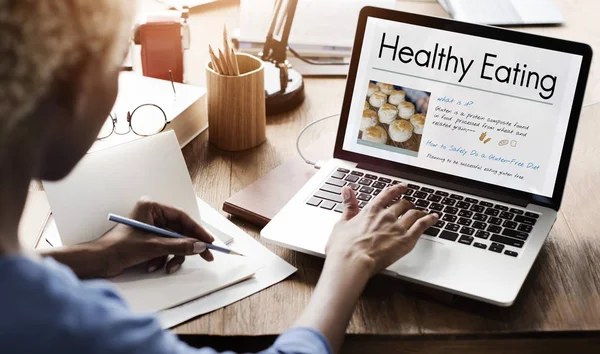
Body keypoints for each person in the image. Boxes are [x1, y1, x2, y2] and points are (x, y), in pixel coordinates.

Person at [0, 1, 438, 353]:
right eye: (117, 65)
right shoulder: (77, 328)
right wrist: (349, 262)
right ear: (71, 90)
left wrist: (97, 255)